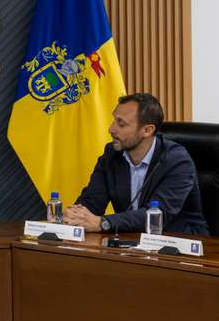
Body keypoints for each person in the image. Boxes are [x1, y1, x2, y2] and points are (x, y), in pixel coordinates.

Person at [64, 92, 209, 235]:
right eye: (114, 120)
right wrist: (76, 216)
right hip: (131, 241)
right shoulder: (112, 154)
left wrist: (103, 223)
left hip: (181, 245)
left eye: (121, 124)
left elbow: (158, 216)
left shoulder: (177, 161)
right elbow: (93, 201)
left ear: (147, 130)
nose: (111, 129)